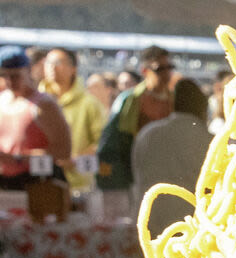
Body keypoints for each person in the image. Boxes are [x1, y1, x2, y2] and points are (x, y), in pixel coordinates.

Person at [0, 45, 72, 189]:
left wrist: (20, 159)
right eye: (4, 75)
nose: (9, 81)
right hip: (0, 184)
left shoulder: (44, 105)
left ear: (28, 70)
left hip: (37, 184)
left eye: (15, 75)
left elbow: (63, 152)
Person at [133, 79, 214, 236]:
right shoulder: (210, 142)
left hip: (147, 225)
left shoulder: (147, 134)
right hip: (192, 228)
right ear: (203, 109)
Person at [97, 45, 177, 192]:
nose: (166, 74)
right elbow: (114, 142)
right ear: (145, 71)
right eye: (159, 69)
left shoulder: (176, 100)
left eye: (169, 67)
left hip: (167, 173)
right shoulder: (130, 100)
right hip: (135, 175)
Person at [41, 46, 109, 191]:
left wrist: (74, 161)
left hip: (79, 186)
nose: (52, 67)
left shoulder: (90, 104)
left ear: (73, 68)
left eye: (58, 62)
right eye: (48, 62)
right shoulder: (36, 102)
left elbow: (102, 144)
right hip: (41, 181)